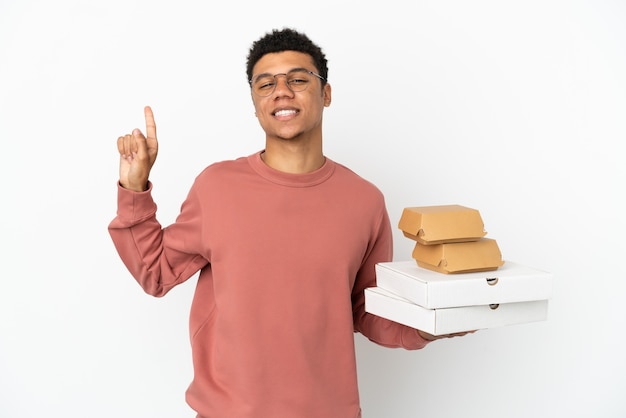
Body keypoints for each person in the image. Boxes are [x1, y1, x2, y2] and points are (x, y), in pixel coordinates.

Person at [109, 28, 467, 418]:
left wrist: (424, 327)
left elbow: (366, 309)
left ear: (326, 94)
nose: (281, 90)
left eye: (298, 79)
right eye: (265, 84)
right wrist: (134, 188)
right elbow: (155, 273)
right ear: (255, 102)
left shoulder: (365, 201)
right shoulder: (217, 187)